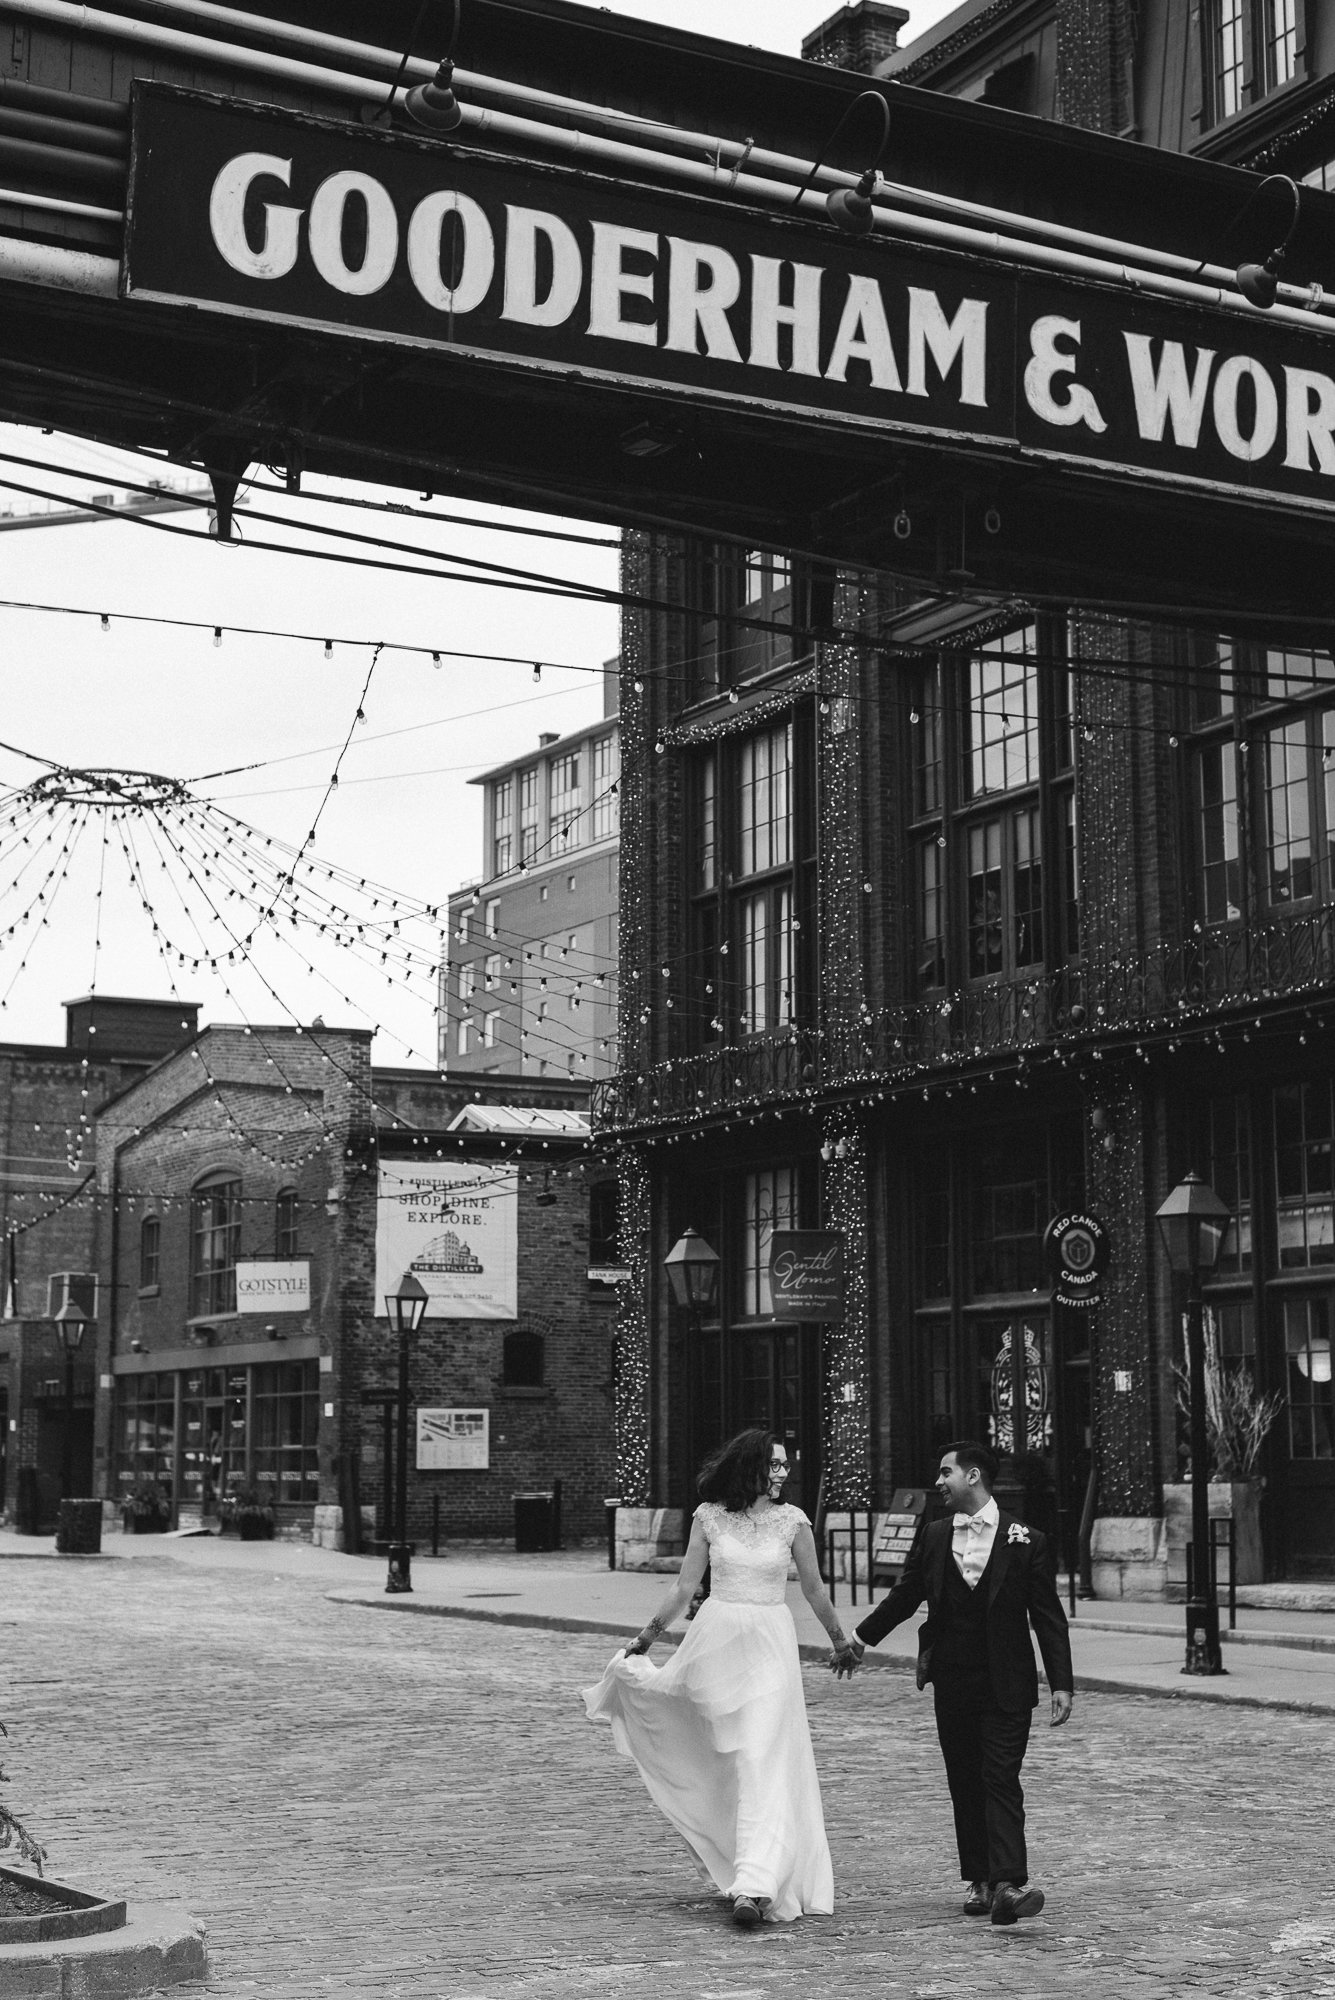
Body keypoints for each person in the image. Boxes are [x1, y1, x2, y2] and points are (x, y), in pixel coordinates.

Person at [583, 1428, 859, 1927]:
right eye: (773, 1465)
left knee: (760, 1756)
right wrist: (644, 1640)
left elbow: (815, 1589)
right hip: (716, 1640)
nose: (782, 1474)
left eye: (785, 1466)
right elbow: (684, 1587)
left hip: (769, 1645)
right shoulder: (709, 1516)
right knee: (726, 1755)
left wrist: (840, 1640)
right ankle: (736, 1860)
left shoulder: (793, 1522)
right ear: (749, 1466)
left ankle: (755, 1886)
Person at [842, 1440, 1073, 1926]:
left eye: (945, 1472)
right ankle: (980, 1879)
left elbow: (1048, 1616)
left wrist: (1061, 1682)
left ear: (972, 1477)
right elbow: (905, 1596)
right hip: (953, 1680)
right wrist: (860, 1638)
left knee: (1000, 1778)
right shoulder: (933, 1535)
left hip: (1007, 1683)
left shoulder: (1027, 1539)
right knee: (965, 1781)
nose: (938, 1481)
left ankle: (1009, 1881)